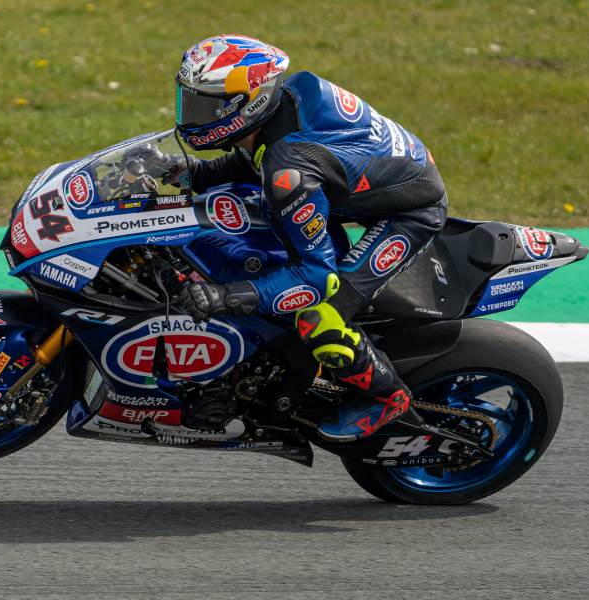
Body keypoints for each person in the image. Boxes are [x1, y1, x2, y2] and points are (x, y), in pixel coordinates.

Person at [173, 35, 447, 440]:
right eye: (188, 101)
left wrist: (226, 296)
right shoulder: (277, 108)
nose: (192, 114)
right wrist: (189, 172)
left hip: (409, 212)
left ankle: (387, 398)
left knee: (320, 315)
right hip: (350, 177)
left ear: (247, 104)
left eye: (206, 106)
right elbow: (253, 157)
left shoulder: (290, 171)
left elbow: (318, 277)